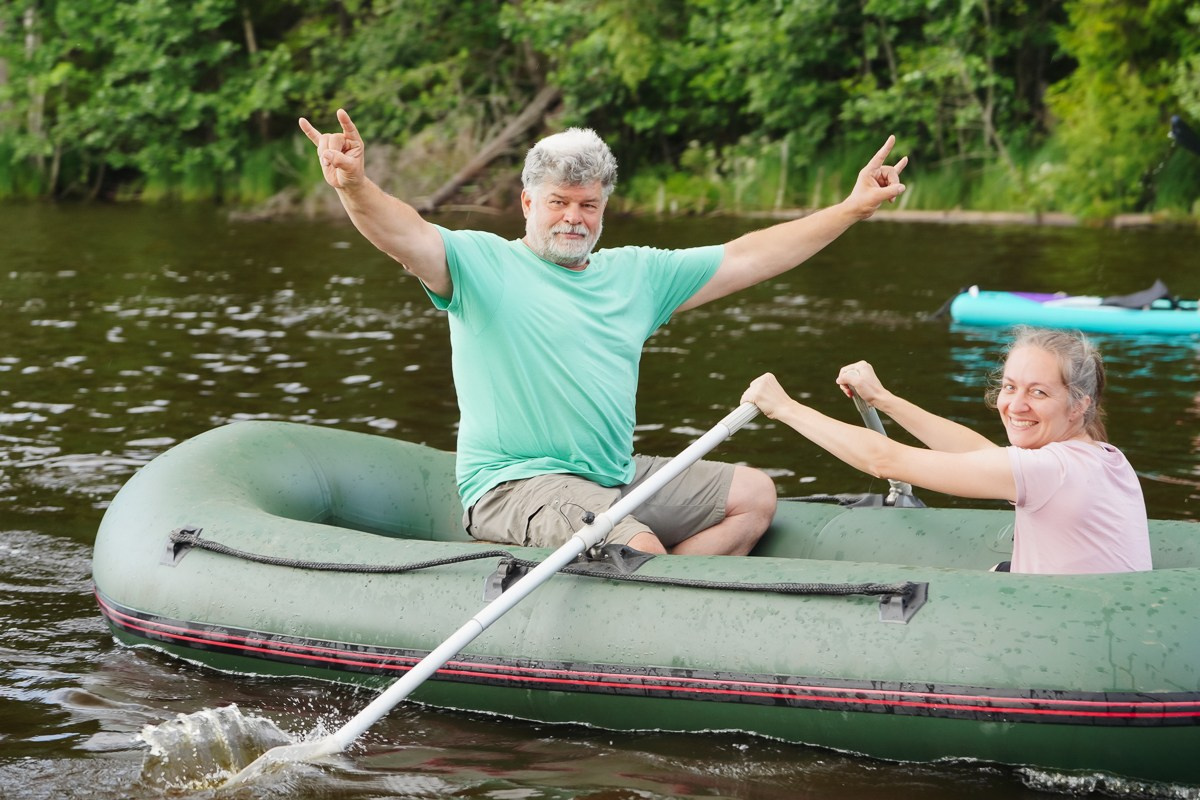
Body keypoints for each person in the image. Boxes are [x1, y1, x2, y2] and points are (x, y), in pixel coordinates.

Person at [299, 108, 907, 556]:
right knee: (637, 543)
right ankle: (661, 598)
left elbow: (750, 255)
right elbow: (404, 233)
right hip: (517, 486)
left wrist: (851, 208)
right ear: (527, 204)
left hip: (611, 476)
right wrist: (353, 184)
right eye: (560, 202)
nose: (574, 217)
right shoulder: (480, 263)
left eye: (588, 205)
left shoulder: (638, 274)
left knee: (754, 495)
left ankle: (674, 605)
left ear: (603, 208)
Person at [741, 326, 1153, 574]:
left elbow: (885, 460)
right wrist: (883, 399)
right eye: (1010, 387)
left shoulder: (1053, 470)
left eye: (1039, 392)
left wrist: (785, 408)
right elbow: (978, 452)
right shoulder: (1099, 456)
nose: (1016, 405)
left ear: (1079, 403)